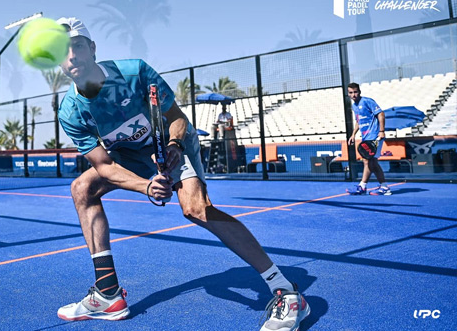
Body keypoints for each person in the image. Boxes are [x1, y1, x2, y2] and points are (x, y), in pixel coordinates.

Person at [55, 17, 310, 330]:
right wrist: (147, 187)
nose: (71, 56)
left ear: (91, 48)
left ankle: (285, 290)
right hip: (127, 156)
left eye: (78, 46)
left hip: (173, 143)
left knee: (196, 210)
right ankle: (108, 294)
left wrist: (173, 143)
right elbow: (105, 166)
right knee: (82, 188)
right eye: (63, 52)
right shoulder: (70, 111)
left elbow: (175, 117)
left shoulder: (134, 72)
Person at [346, 83, 391, 195]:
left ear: (359, 92)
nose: (354, 95)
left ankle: (362, 186)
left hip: (375, 135)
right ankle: (384, 187)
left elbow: (381, 114)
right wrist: (353, 135)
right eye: (351, 93)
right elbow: (359, 121)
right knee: (372, 162)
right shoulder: (354, 106)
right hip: (365, 136)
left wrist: (381, 131)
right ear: (348, 94)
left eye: (355, 92)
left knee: (368, 160)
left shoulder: (367, 101)